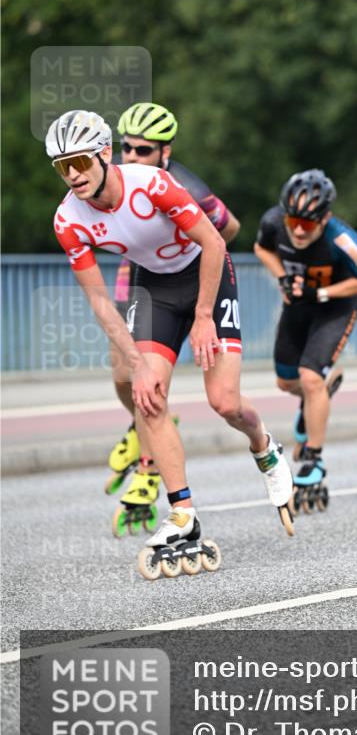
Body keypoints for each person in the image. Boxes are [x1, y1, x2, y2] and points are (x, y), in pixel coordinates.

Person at [47, 110, 294, 579]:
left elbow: (216, 243)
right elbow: (100, 301)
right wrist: (138, 363)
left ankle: (263, 445)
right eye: (62, 167)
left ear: (103, 154)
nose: (73, 175)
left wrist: (203, 317)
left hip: (207, 276)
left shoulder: (152, 185)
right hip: (155, 288)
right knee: (149, 396)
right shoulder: (68, 220)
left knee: (224, 402)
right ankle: (183, 515)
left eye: (80, 161)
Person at [105, 102, 241, 535]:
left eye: (144, 151)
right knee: (121, 372)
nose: (132, 158)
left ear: (165, 152)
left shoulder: (188, 188)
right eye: (126, 148)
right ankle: (139, 423)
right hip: (140, 272)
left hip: (184, 270)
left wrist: (192, 250)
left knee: (149, 381)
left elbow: (228, 229)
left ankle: (149, 464)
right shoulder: (111, 178)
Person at [254, 169, 357, 512]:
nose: (297, 230)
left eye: (307, 224)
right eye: (293, 220)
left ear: (325, 219)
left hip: (334, 308)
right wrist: (282, 277)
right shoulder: (273, 222)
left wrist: (320, 292)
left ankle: (313, 458)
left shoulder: (341, 239)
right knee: (286, 381)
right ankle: (318, 395)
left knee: (310, 377)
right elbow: (261, 249)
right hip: (298, 304)